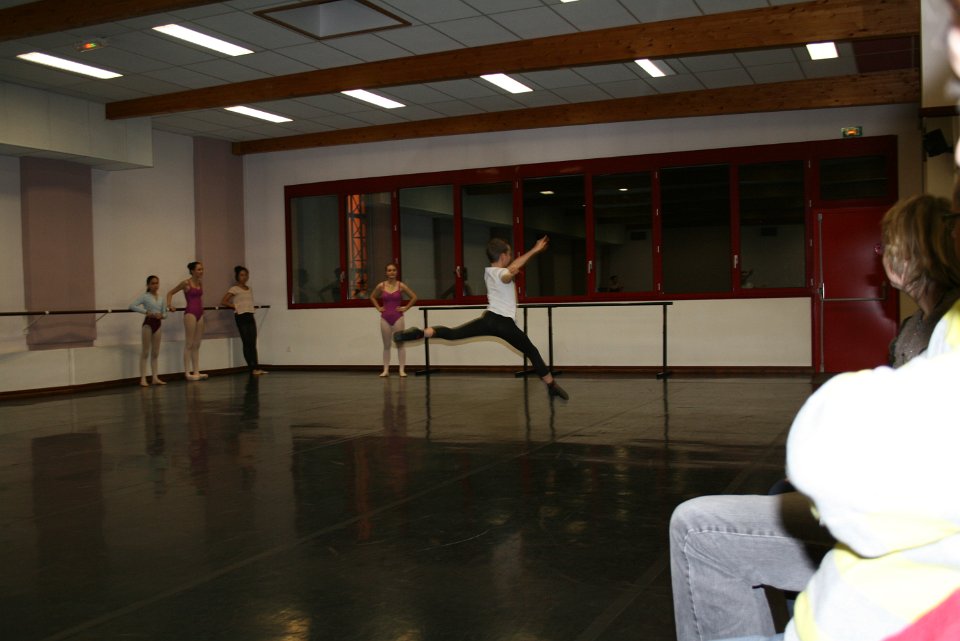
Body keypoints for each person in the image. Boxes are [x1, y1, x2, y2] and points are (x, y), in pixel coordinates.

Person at [669, 194, 960, 641]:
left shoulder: (940, 332)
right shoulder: (920, 328)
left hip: (900, 557)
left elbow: (880, 462)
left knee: (709, 524)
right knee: (775, 493)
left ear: (906, 259)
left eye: (887, 248)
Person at [394, 236, 569, 399]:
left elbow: (510, 269)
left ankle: (420, 332)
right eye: (509, 254)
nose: (510, 258)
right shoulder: (501, 273)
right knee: (531, 351)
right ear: (503, 256)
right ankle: (551, 385)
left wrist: (520, 263)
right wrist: (534, 251)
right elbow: (508, 274)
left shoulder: (489, 272)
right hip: (504, 324)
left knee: (454, 334)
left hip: (488, 319)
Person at [370, 263, 417, 377]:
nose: (392, 272)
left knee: (400, 344)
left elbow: (414, 297)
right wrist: (378, 308)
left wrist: (406, 308)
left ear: (397, 272)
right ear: (386, 272)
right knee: (386, 345)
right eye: (389, 270)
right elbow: (372, 297)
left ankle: (402, 370)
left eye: (394, 270)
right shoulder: (381, 286)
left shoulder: (401, 286)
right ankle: (386, 370)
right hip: (385, 318)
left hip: (398, 317)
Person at [221, 265, 266, 376]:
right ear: (237, 276)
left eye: (246, 275)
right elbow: (224, 301)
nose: (244, 277)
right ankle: (252, 368)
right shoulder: (234, 289)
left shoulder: (249, 289)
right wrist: (235, 306)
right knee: (246, 342)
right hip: (241, 316)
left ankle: (256, 367)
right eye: (242, 275)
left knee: (252, 342)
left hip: (250, 315)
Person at [167, 261, 207, 381]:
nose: (201, 271)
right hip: (190, 313)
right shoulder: (185, 283)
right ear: (192, 271)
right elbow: (170, 293)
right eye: (199, 269)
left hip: (200, 313)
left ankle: (196, 371)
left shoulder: (200, 283)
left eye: (202, 269)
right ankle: (187, 373)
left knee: (197, 344)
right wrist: (169, 305)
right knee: (189, 343)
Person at [129, 275, 167, 387]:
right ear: (148, 285)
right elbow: (132, 306)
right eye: (153, 283)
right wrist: (145, 312)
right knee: (145, 352)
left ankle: (155, 378)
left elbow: (165, 313)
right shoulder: (145, 297)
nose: (155, 285)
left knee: (155, 353)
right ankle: (143, 379)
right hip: (148, 324)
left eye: (157, 283)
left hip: (158, 325)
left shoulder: (161, 298)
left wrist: (162, 315)